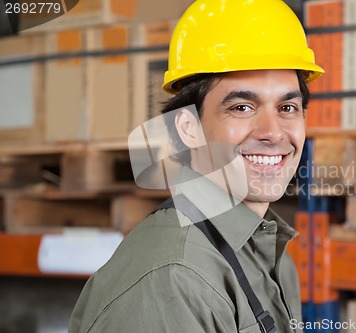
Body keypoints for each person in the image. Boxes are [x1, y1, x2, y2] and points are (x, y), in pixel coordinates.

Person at [69, 0, 323, 332]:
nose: (273, 132)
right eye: (243, 107)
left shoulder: (269, 253)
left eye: (288, 107)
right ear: (188, 127)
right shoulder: (175, 280)